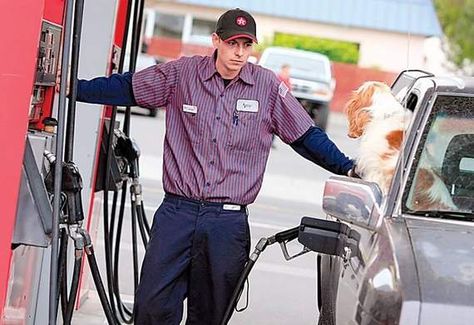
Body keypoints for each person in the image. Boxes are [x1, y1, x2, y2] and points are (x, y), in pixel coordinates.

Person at [76, 8, 355, 325]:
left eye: (246, 46)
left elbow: (305, 136)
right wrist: (76, 89)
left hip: (227, 223)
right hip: (177, 214)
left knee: (210, 316)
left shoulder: (267, 88)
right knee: (152, 308)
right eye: (232, 43)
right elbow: (129, 88)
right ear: (216, 41)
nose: (239, 53)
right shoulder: (183, 75)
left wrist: (347, 167)